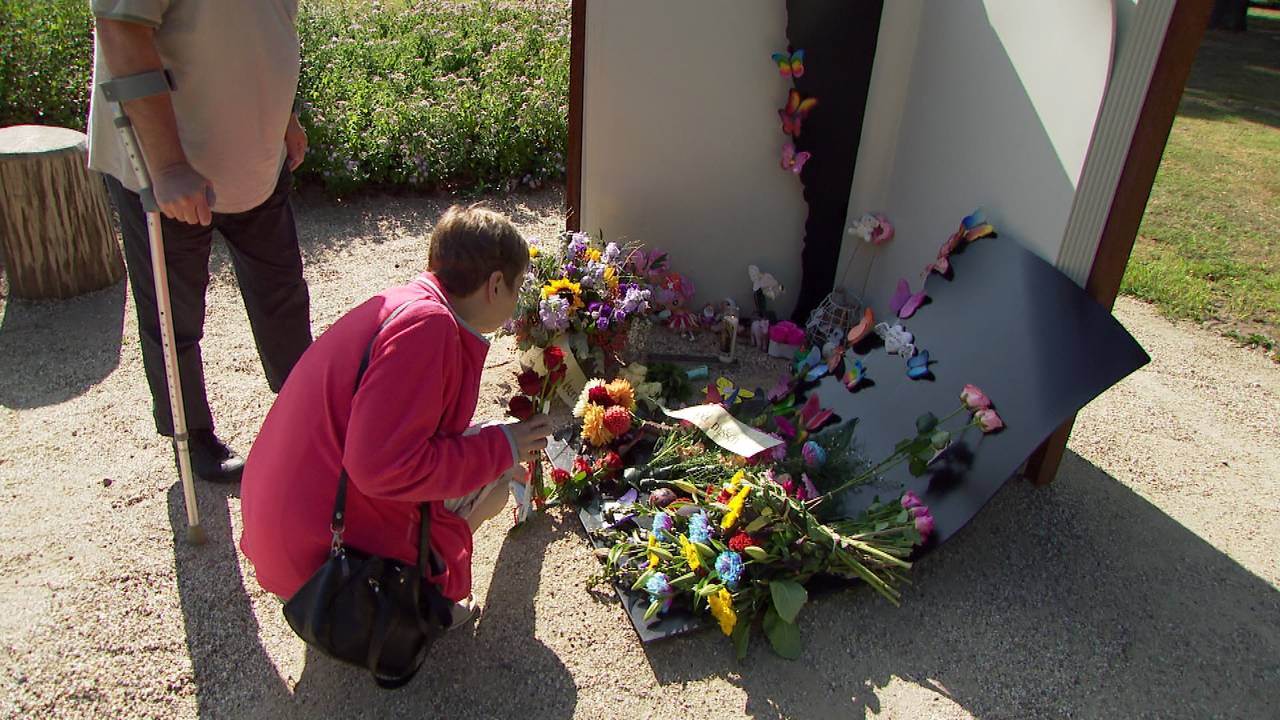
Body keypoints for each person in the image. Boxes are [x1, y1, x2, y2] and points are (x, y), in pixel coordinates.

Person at [239, 205, 553, 620]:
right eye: (516, 288)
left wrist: (497, 443)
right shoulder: (429, 328)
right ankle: (424, 593)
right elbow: (380, 467)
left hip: (291, 537)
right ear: (495, 284)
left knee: (496, 447)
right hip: (326, 569)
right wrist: (501, 447)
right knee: (500, 461)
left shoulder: (410, 305)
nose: (515, 300)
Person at [87, 0, 313, 482]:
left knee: (283, 296)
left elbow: (268, 23)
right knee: (174, 313)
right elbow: (121, 26)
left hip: (256, 155)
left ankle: (307, 413)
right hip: (173, 167)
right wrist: (168, 167)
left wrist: (285, 115)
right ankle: (190, 437)